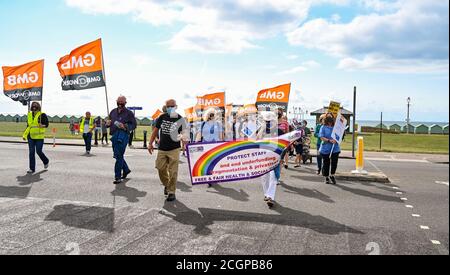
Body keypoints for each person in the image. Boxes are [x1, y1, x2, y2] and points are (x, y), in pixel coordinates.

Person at [148, 99, 188, 202]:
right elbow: (155, 131)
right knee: (160, 168)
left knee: (173, 172)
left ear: (176, 106)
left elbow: (184, 134)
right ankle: (167, 184)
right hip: (162, 148)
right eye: (168, 106)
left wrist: (185, 145)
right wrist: (150, 143)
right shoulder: (162, 117)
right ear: (166, 107)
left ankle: (171, 192)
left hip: (174, 149)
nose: (170, 108)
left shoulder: (180, 119)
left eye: (172, 106)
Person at [106, 96, 137, 184]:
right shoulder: (112, 112)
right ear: (116, 102)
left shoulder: (129, 113)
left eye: (122, 102)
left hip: (123, 136)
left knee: (119, 156)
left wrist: (125, 126)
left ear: (125, 103)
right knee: (117, 155)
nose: (120, 103)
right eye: (118, 101)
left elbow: (134, 125)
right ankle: (126, 169)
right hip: (114, 136)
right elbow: (108, 122)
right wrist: (107, 123)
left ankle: (117, 176)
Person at [257, 111, 280, 208]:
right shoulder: (261, 130)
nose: (268, 123)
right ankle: (267, 194)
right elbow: (256, 141)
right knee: (264, 176)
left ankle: (270, 196)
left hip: (273, 156)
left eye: (270, 121)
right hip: (263, 155)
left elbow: (283, 142)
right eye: (267, 121)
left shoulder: (278, 130)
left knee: (273, 176)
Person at [22, 102, 49, 174]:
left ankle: (46, 161)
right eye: (33, 106)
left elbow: (47, 124)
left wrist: (42, 125)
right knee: (31, 152)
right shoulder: (29, 115)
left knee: (39, 151)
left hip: (39, 137)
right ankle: (32, 168)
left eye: (35, 106)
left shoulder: (42, 114)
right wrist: (24, 135)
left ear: (38, 107)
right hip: (30, 136)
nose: (34, 107)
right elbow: (28, 126)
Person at [319, 113, 341, 185]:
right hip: (325, 148)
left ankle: (332, 175)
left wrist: (336, 140)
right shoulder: (323, 127)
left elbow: (340, 135)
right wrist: (328, 140)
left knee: (334, 163)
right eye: (328, 119)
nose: (330, 122)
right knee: (326, 163)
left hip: (335, 148)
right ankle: (326, 177)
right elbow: (321, 137)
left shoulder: (336, 127)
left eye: (331, 119)